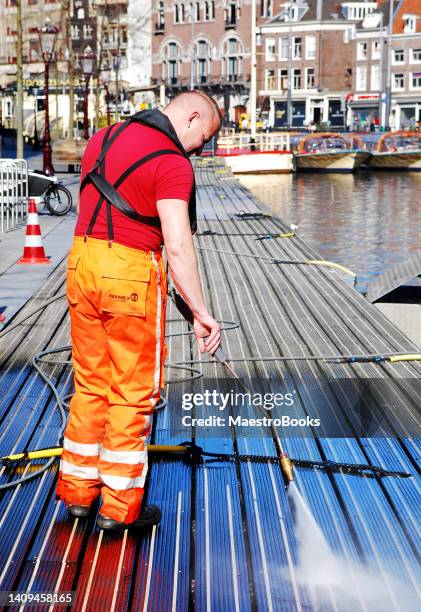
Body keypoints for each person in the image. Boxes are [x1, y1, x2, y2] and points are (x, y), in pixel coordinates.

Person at [56, 91, 222, 530]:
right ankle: (118, 506)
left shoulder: (105, 136)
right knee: (133, 391)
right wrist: (201, 311)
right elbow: (179, 245)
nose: (199, 151)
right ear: (190, 117)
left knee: (91, 383)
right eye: (202, 139)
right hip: (128, 273)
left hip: (81, 262)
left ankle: (77, 493)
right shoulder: (172, 163)